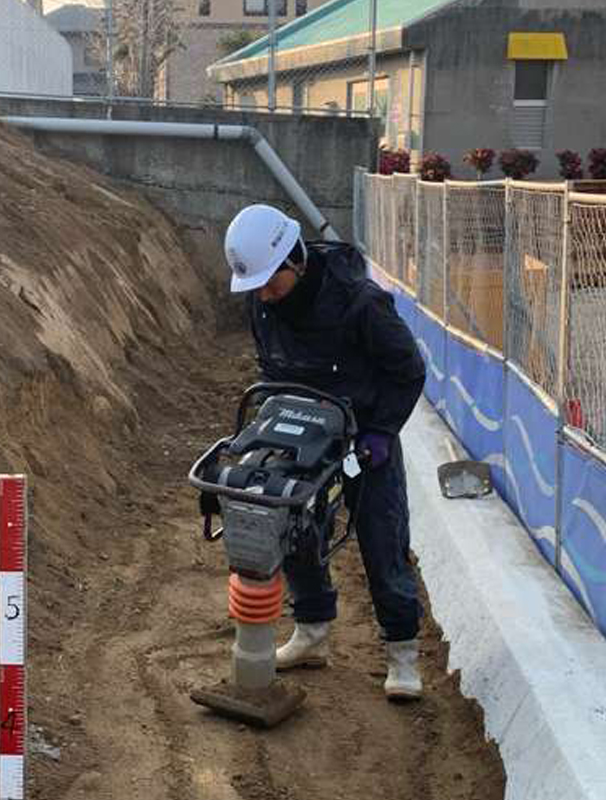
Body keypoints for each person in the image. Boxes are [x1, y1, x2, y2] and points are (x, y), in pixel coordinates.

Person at [223, 204, 427, 700]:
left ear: (296, 259)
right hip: (299, 430)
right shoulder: (263, 301)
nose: (265, 295)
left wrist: (381, 431)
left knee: (381, 535)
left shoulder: (360, 303)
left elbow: (409, 369)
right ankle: (312, 631)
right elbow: (270, 365)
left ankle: (402, 654)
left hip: (362, 436)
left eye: (272, 283)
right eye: (257, 288)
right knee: (289, 527)